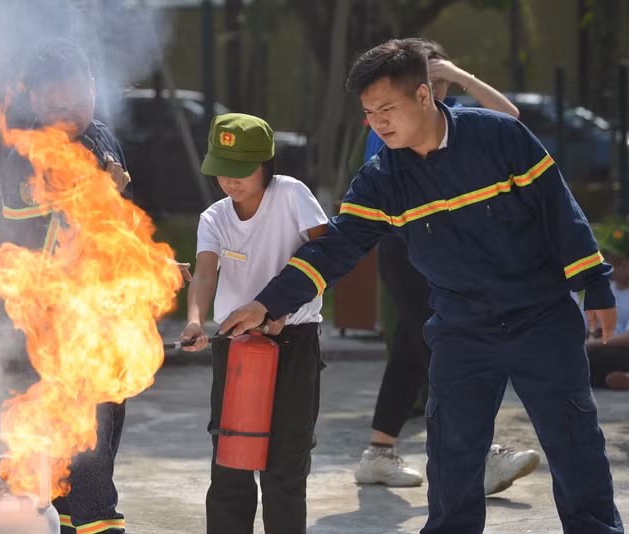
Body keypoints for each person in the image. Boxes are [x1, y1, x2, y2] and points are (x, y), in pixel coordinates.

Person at [220, 39, 624, 534]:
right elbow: (336, 248)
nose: (378, 122)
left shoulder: (500, 138)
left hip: (541, 316)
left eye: (387, 108)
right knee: (452, 454)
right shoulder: (382, 179)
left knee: (573, 441)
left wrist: (596, 287)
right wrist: (267, 303)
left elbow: (560, 212)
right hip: (461, 328)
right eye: (369, 112)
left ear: (424, 96)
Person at [356, 38, 539, 495]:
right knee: (446, 349)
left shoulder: (454, 116)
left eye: (437, 82)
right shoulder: (390, 120)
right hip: (406, 246)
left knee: (412, 349)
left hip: (444, 249)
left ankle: (378, 454)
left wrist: (460, 76)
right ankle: (477, 457)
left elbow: (511, 120)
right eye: (426, 81)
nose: (431, 90)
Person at [0, 38, 132, 534]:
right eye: (58, 105)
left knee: (108, 425)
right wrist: (100, 196)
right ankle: (97, 522)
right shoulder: (24, 156)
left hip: (109, 311)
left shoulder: (102, 138)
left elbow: (119, 221)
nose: (72, 113)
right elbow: (38, 237)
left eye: (81, 99)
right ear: (34, 101)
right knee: (80, 435)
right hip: (57, 320)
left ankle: (69, 521)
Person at [179, 113, 328, 534]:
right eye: (222, 171)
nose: (231, 181)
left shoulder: (292, 195)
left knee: (284, 465)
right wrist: (195, 322)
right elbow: (206, 273)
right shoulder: (214, 217)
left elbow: (329, 254)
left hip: (294, 342)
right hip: (236, 346)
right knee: (230, 462)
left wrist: (282, 308)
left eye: (241, 170)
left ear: (267, 163)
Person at [582, 223, 629, 390]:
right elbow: (587, 327)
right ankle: (615, 379)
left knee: (591, 357)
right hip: (608, 348)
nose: (609, 265)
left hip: (620, 350)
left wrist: (595, 343)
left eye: (616, 261)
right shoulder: (605, 290)